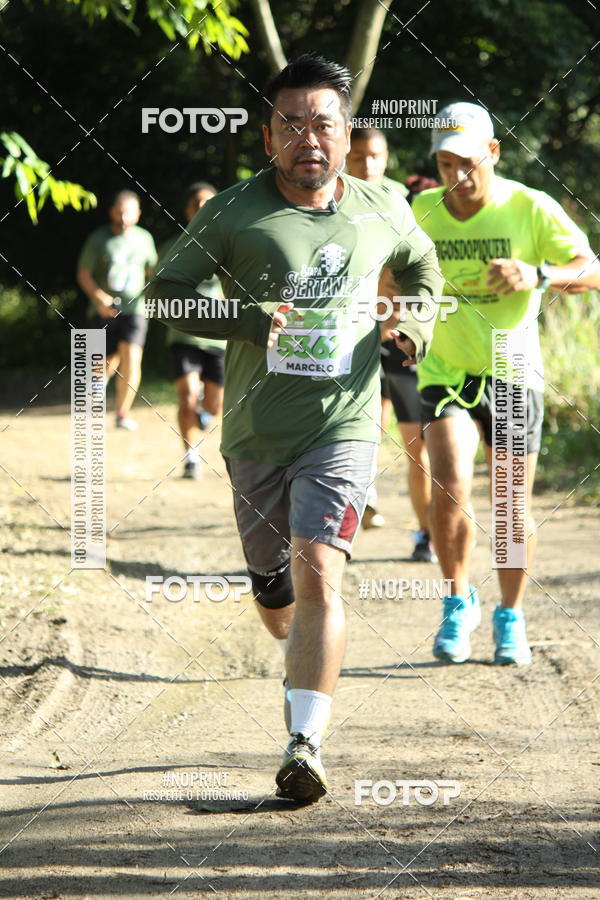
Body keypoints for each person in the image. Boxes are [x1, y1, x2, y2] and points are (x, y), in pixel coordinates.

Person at [149, 54, 443, 802]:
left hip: (341, 426)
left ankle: (305, 742)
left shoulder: (381, 206)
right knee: (277, 595)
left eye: (323, 122)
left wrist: (411, 325)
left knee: (319, 569)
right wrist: (249, 320)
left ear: (346, 133)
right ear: (268, 135)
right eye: (292, 123)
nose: (308, 137)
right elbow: (167, 296)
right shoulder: (234, 213)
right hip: (253, 434)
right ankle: (287, 638)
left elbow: (424, 269)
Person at [412, 101, 600, 665]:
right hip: (446, 370)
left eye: (467, 163)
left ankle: (510, 615)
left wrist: (538, 274)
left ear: (492, 152)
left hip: (512, 370)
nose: (457, 176)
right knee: (450, 490)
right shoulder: (422, 208)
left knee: (511, 508)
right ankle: (456, 598)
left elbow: (591, 269)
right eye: (446, 164)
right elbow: (394, 272)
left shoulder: (530, 207)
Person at [346, 129, 436, 561]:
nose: (367, 166)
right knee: (357, 430)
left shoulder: (405, 202)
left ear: (387, 158)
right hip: (348, 338)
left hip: (398, 336)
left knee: (414, 441)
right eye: (359, 157)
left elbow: (421, 267)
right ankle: (359, 498)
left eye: (375, 157)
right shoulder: (327, 200)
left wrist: (406, 322)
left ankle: (425, 533)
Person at [77, 190, 157, 430]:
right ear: (112, 211)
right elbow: (83, 273)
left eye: (129, 212)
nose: (124, 217)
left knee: (132, 356)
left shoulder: (145, 238)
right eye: (120, 211)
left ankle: (122, 413)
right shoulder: (98, 238)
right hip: (104, 310)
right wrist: (99, 297)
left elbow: (153, 273)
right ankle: (97, 389)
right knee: (105, 361)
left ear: (138, 214)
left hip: (136, 308)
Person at [160, 183, 225, 478]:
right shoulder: (173, 247)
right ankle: (191, 457)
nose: (201, 208)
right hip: (183, 334)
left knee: (214, 404)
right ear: (187, 210)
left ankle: (203, 416)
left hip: (220, 338)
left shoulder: (231, 244)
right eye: (196, 203)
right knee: (186, 396)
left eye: (208, 203)